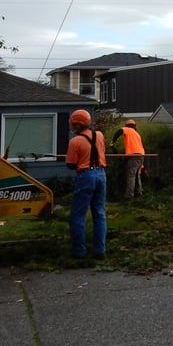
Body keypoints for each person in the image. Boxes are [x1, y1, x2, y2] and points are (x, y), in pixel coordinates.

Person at [65, 109, 107, 259]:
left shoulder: (75, 141)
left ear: (76, 125)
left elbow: (70, 164)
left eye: (72, 124)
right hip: (101, 175)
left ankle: (79, 252)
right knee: (99, 213)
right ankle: (99, 251)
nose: (71, 127)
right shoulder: (100, 135)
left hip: (85, 176)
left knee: (78, 215)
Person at [113, 119, 145, 199]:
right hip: (141, 155)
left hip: (134, 155)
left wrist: (112, 142)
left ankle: (129, 196)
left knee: (131, 175)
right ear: (134, 126)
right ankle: (138, 193)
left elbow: (119, 131)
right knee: (136, 174)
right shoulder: (137, 134)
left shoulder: (127, 129)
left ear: (127, 125)